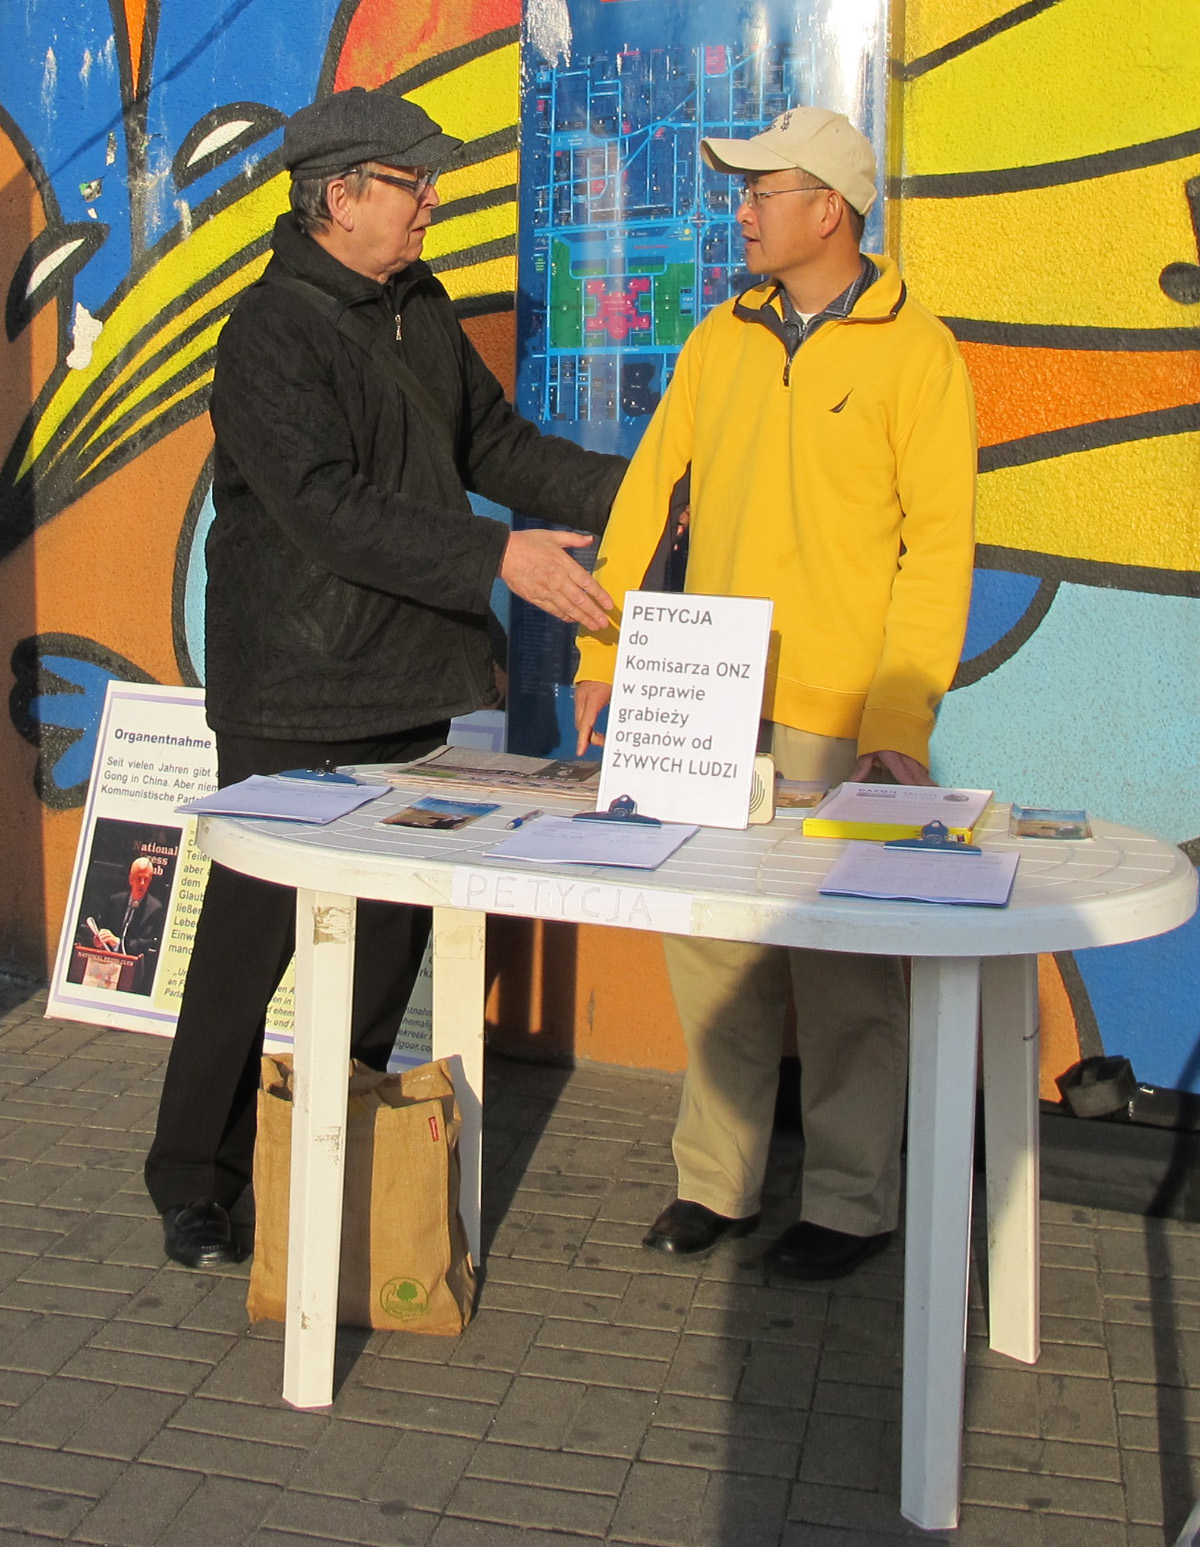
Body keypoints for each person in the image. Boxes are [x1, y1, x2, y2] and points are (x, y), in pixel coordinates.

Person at [144, 85, 626, 1269]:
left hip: (409, 681)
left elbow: (495, 445)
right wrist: (495, 555)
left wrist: (640, 487)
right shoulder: (268, 331)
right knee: (252, 940)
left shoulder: (422, 306)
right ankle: (194, 1177)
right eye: (416, 181)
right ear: (343, 195)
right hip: (294, 687)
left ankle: (334, 1141)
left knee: (387, 943)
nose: (433, 200)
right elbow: (324, 508)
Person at [574, 107, 976, 1280]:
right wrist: (605, 656)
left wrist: (898, 724)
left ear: (829, 210)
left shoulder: (919, 354)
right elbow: (650, 493)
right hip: (709, 694)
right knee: (711, 950)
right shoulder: (721, 337)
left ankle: (852, 1201)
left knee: (846, 968)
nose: (741, 209)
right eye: (743, 190)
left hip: (839, 715)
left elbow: (938, 551)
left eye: (763, 190)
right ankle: (717, 1180)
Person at [84, 857, 164, 993]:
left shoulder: (154, 908)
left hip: (132, 972)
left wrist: (117, 942)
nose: (142, 883)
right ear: (131, 879)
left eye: (146, 879)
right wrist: (98, 942)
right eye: (138, 878)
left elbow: (144, 943)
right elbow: (104, 929)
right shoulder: (115, 901)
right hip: (105, 966)